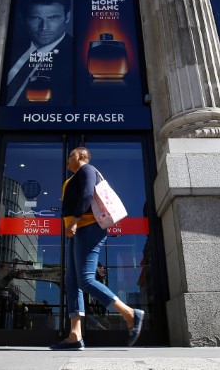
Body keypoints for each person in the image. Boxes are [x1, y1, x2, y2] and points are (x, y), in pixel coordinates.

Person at [50, 147, 144, 350]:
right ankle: (75, 336)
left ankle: (130, 314)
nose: (68, 159)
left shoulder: (87, 170)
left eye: (71, 155)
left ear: (82, 157)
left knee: (85, 280)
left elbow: (85, 195)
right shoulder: (74, 177)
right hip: (77, 231)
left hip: (88, 229)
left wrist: (73, 221)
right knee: (72, 282)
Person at [5, 0, 74, 106]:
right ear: (22, 18)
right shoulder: (9, 47)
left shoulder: (79, 57)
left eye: (53, 18)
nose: (44, 27)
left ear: (67, 17)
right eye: (35, 18)